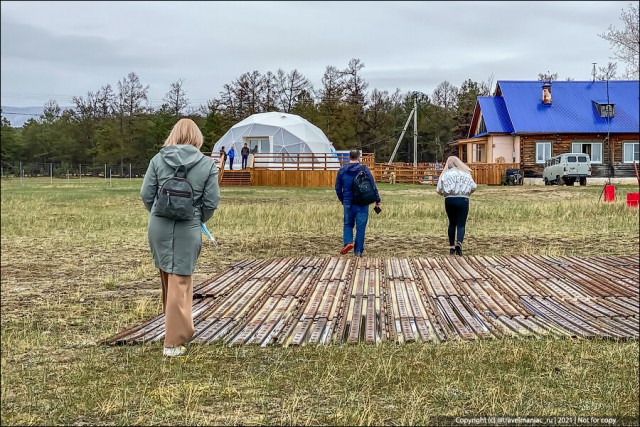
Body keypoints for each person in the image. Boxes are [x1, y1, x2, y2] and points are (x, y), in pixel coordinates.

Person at [140, 118, 221, 357]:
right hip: (188, 226)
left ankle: (172, 330)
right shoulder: (207, 164)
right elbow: (211, 202)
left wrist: (158, 212)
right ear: (197, 137)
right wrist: (197, 217)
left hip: (158, 225)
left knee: (168, 276)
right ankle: (173, 341)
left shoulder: (158, 159)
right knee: (181, 280)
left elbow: (146, 194)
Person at [334, 149, 381, 257]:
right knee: (361, 228)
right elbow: (373, 186)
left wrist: (343, 199)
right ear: (359, 157)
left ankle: (348, 242)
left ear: (349, 157)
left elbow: (337, 188)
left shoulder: (342, 170)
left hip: (348, 202)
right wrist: (377, 200)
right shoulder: (364, 169)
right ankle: (358, 252)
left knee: (348, 224)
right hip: (362, 202)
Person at [436, 156, 477, 256]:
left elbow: (439, 189)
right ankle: (459, 242)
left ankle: (451, 246)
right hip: (463, 199)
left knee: (452, 223)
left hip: (449, 199)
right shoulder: (466, 174)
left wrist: (445, 194)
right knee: (461, 224)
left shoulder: (445, 175)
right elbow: (474, 186)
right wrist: (467, 193)